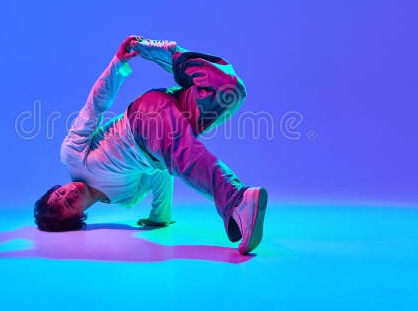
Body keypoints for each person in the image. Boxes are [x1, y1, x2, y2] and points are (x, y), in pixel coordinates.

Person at [34, 35, 268, 254]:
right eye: (67, 204)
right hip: (166, 129)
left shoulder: (72, 157)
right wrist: (159, 217)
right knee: (229, 91)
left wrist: (117, 64)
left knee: (179, 155)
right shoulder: (125, 198)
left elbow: (94, 107)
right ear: (78, 217)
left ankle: (237, 200)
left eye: (60, 193)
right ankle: (171, 55)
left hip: (142, 120)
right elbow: (161, 176)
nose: (69, 194)